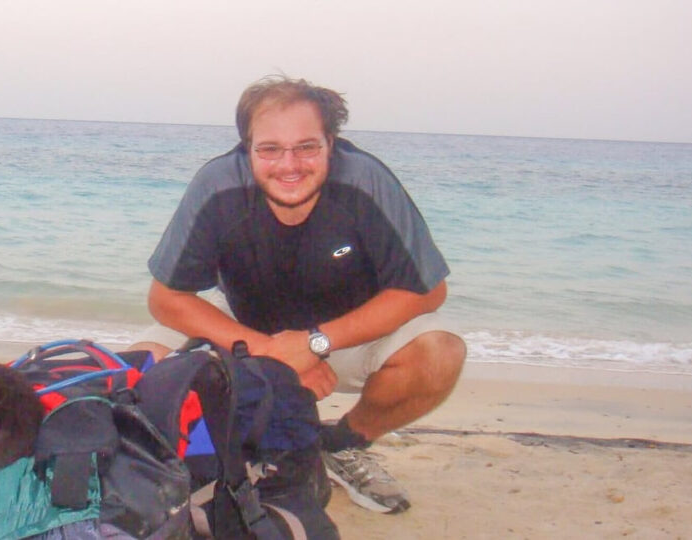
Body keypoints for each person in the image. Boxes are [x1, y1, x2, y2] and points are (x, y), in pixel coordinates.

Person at [132, 75, 466, 515]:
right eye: (269, 149)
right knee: (141, 367)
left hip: (346, 335)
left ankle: (340, 446)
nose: (288, 165)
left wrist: (314, 343)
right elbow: (166, 298)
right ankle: (202, 462)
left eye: (307, 147)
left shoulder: (365, 181)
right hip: (244, 330)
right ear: (247, 148)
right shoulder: (217, 185)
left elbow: (427, 290)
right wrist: (270, 355)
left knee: (439, 353)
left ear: (331, 144)